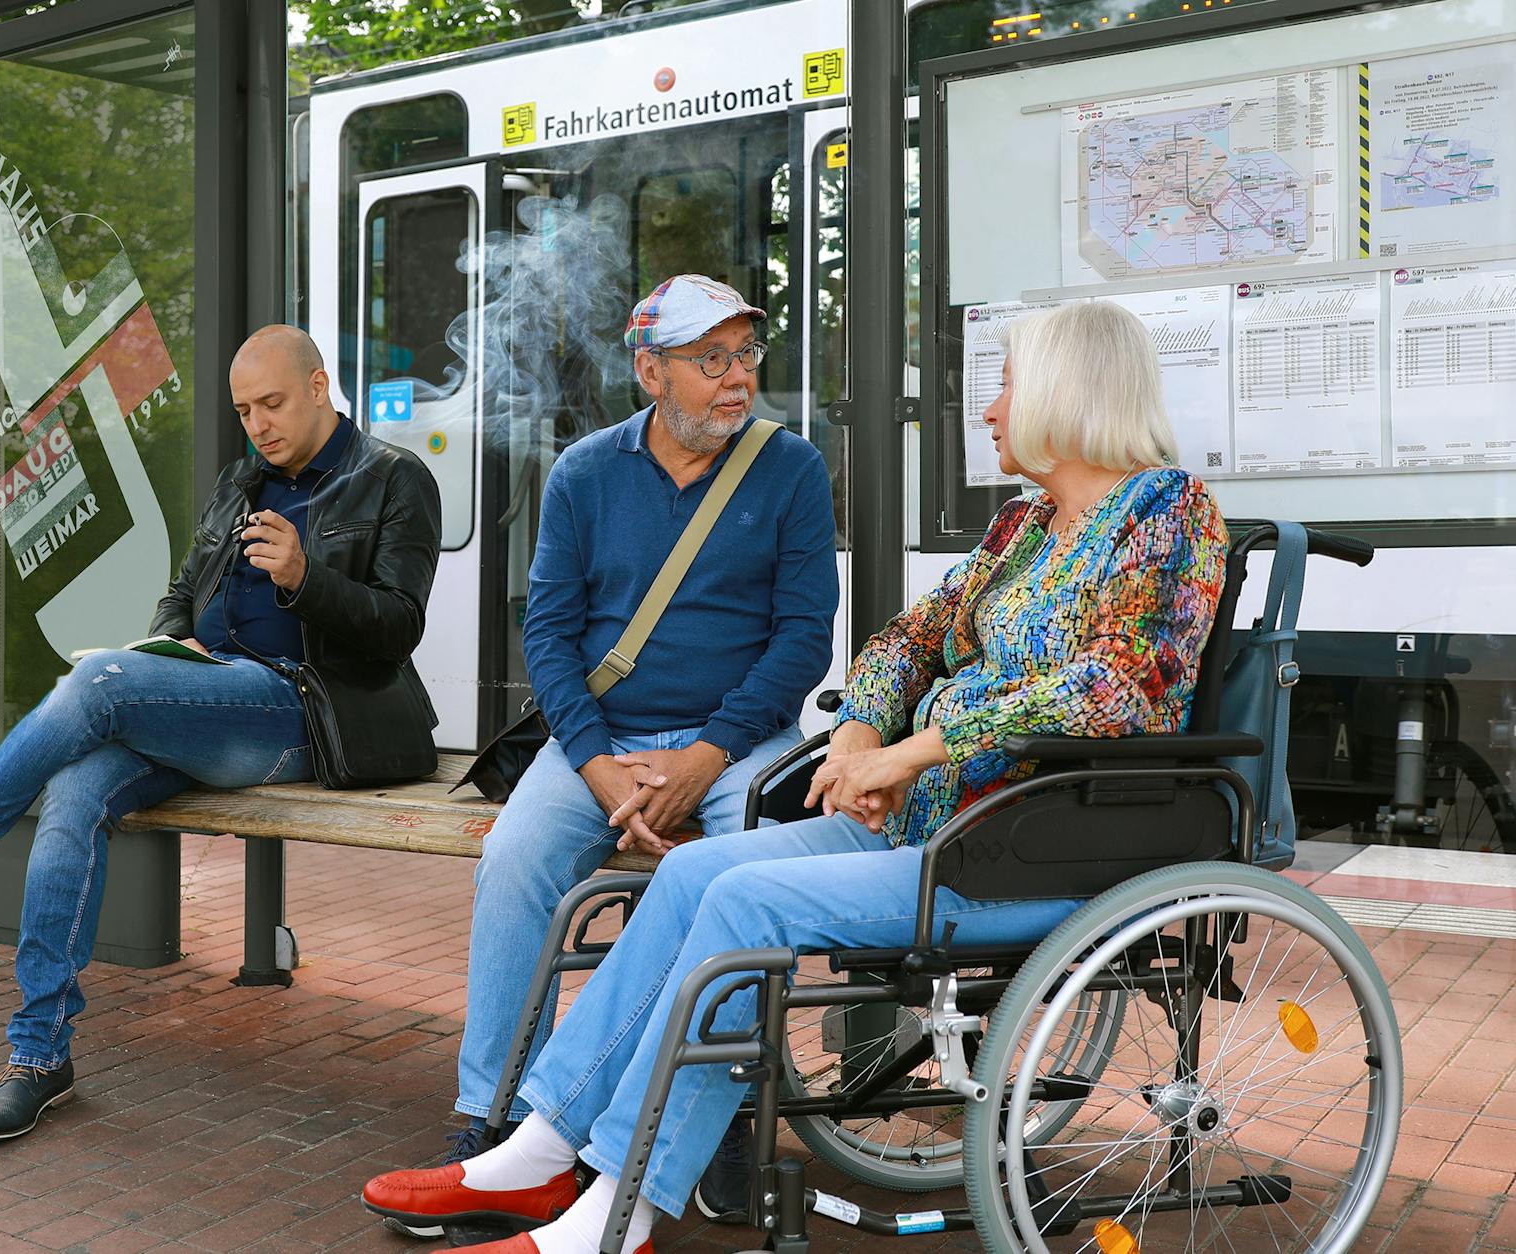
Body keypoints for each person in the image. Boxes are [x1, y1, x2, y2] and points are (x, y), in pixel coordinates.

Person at [361, 299, 1230, 1254]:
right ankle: (539, 1146)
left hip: (1022, 845)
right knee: (698, 874)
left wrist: (917, 750)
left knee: (746, 903)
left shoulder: (1168, 511)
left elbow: (1118, 690)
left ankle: (616, 1212)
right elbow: (911, 638)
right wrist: (861, 731)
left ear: (1068, 394)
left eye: (1007, 384)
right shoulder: (1024, 526)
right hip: (930, 827)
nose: (990, 410)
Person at [0, 326, 442, 1142]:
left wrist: (307, 579)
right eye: (243, 410)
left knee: (96, 683)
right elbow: (183, 587)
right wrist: (173, 642)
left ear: (317, 387)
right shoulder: (244, 482)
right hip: (207, 700)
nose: (257, 425)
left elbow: (398, 628)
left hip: (303, 714)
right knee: (75, 789)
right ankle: (38, 1056)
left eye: (271, 403)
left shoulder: (393, 479)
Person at [426, 274, 838, 1232]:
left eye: (744, 355)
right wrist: (598, 762)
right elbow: (552, 635)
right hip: (601, 743)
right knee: (516, 859)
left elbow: (802, 638)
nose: (737, 380)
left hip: (738, 741)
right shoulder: (584, 473)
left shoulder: (791, 470)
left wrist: (708, 753)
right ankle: (493, 1116)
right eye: (710, 360)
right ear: (650, 370)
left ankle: (730, 1110)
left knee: (754, 876)